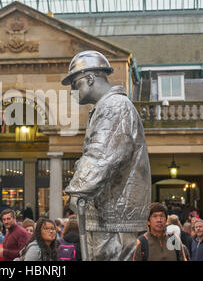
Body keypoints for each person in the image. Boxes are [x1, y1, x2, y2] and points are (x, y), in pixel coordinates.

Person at [61, 50, 151, 261]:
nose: (73, 92)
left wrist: (77, 189)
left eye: (75, 84)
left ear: (90, 78)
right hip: (107, 214)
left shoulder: (115, 106)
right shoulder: (107, 107)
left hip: (112, 217)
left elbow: (101, 156)